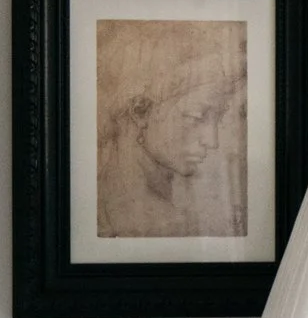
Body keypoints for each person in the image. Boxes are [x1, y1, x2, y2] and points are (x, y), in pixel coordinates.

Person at [96, 19, 250, 238]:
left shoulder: (177, 214)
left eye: (218, 118)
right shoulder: (155, 221)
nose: (212, 141)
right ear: (140, 112)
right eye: (197, 116)